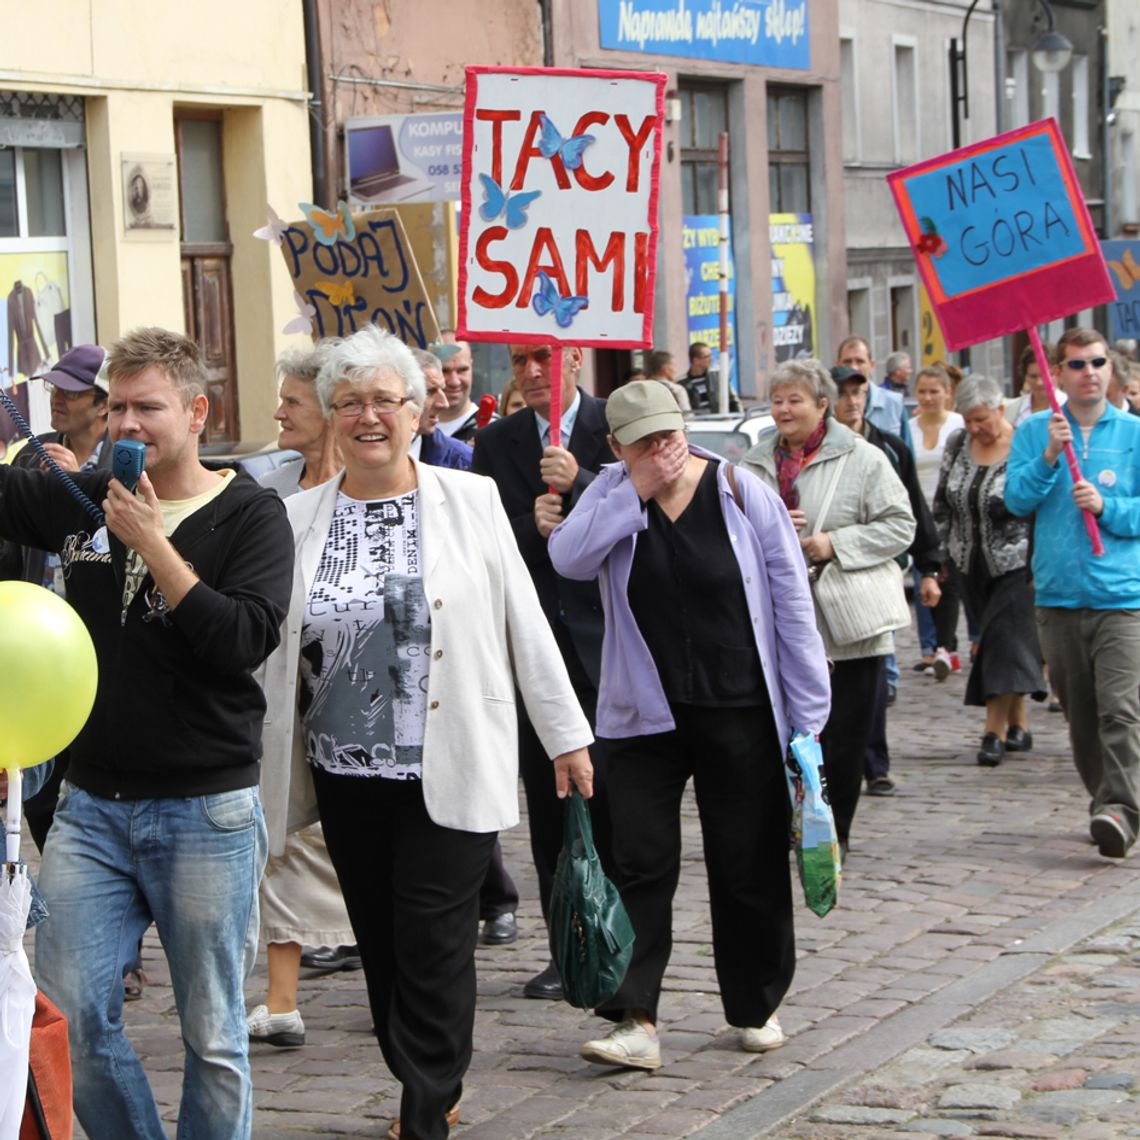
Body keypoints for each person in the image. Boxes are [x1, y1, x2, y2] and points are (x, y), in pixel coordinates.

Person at [259, 326, 594, 1140]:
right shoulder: (296, 517)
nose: (368, 415)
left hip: (450, 755)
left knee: (437, 940)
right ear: (333, 417)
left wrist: (565, 736)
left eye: (385, 399)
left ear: (416, 410)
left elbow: (524, 621)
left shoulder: (468, 498)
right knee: (380, 940)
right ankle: (420, 1073)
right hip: (344, 769)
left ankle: (425, 1105)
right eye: (350, 402)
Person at [0, 327, 293, 1139]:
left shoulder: (250, 514)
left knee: (214, 1038)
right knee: (78, 1026)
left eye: (148, 408)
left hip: (207, 811)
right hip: (91, 808)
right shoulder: (84, 496)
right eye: (117, 407)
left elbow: (242, 640)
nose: (128, 425)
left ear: (197, 412)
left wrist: (154, 544)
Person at [547, 381, 830, 1070]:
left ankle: (755, 1002)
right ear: (615, 447)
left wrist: (807, 716)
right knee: (638, 860)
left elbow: (791, 602)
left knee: (747, 860)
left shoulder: (739, 490)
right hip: (643, 714)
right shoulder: (612, 495)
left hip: (740, 703)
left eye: (668, 434)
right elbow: (568, 558)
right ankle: (633, 1017)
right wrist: (631, 494)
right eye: (643, 440)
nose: (662, 449)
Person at [472, 342, 615, 1000]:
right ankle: (568, 948)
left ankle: (623, 935)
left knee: (617, 804)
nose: (531, 374)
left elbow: (644, 514)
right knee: (551, 802)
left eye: (544, 359)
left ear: (577, 357)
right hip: (534, 653)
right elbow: (480, 546)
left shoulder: (614, 424)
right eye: (520, 360)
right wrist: (524, 526)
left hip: (612, 651)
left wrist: (583, 482)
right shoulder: (496, 442)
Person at [742, 360, 914, 854]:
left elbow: (900, 526)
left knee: (843, 737)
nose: (783, 410)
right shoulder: (753, 463)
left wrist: (830, 543)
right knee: (783, 730)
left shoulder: (863, 458)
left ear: (822, 405)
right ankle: (790, 823)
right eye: (777, 400)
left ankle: (833, 835)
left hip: (847, 625)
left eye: (795, 400)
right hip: (778, 624)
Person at [248, 343, 355, 1050]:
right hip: (280, 690)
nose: (279, 410)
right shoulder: (268, 483)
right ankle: (281, 1001)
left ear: (327, 411)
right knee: (281, 837)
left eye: (292, 400)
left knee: (368, 847)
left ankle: (404, 982)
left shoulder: (375, 485)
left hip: (361, 693)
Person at [1006, 327, 1140, 858]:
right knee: (1082, 716)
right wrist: (1048, 457)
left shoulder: (1132, 433)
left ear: (1111, 370)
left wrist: (1110, 509)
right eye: (1077, 365)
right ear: (1056, 373)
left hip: (1122, 597)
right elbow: (1016, 499)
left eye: (1098, 363)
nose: (1089, 373)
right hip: (1058, 596)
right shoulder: (1036, 430)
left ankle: (1120, 810)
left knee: (1121, 712)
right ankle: (1105, 800)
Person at [410, 346, 521, 946]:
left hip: (455, 650)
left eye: (441, 386)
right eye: (427, 386)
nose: (438, 396)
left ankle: (495, 897)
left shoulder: (460, 464)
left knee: (466, 791)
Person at [829, 366, 941, 799]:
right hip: (825, 581)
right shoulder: (814, 449)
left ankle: (874, 764)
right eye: (844, 393)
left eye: (859, 392)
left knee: (872, 675)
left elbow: (913, 508)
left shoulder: (889, 448)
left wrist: (928, 567)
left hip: (878, 577)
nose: (853, 400)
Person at [933, 375, 1045, 768]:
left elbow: (1038, 501)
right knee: (1004, 644)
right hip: (970, 563)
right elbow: (943, 502)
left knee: (999, 641)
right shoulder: (957, 443)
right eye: (968, 420)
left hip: (1018, 563)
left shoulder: (1024, 445)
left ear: (1000, 409)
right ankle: (1020, 723)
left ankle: (992, 731)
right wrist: (938, 558)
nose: (975, 427)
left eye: (981, 418)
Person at [911, 364, 966, 676]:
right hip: (920, 515)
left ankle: (951, 645)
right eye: (922, 392)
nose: (928, 397)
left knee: (950, 580)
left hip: (952, 514)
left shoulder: (958, 425)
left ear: (948, 393)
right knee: (924, 581)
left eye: (934, 391)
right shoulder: (910, 427)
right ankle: (931, 648)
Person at [836, 335, 914, 452]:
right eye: (847, 362)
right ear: (837, 364)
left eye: (860, 361)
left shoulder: (893, 404)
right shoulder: (829, 404)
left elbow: (907, 455)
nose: (854, 367)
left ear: (871, 365)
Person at [435, 333, 488, 442]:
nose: (454, 382)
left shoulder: (493, 429)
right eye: (444, 371)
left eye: (462, 370)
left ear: (472, 367)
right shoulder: (411, 430)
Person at [1004, 344, 1063, 427]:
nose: (1039, 382)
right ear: (1025, 377)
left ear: (1057, 372)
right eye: (1033, 376)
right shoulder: (1011, 410)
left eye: (1044, 375)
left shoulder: (1071, 406)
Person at [678, 340, 741, 414]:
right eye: (707, 356)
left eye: (711, 355)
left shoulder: (718, 376)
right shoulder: (681, 383)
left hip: (720, 422)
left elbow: (733, 400)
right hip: (696, 424)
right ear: (696, 360)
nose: (711, 359)